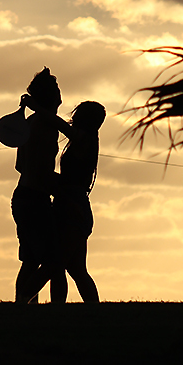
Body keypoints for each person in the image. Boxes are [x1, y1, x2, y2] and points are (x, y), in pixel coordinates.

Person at [22, 98, 106, 304]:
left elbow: (59, 125)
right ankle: (95, 312)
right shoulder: (86, 140)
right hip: (70, 203)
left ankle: (21, 301)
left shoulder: (84, 139)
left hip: (72, 205)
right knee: (76, 269)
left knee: (54, 263)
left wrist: (38, 108)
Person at [11, 68, 62, 304]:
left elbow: (21, 166)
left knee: (30, 260)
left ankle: (23, 309)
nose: (61, 98)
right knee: (53, 260)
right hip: (35, 198)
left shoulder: (31, 123)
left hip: (24, 196)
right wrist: (63, 187)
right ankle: (24, 300)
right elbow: (38, 171)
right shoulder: (46, 126)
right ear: (52, 98)